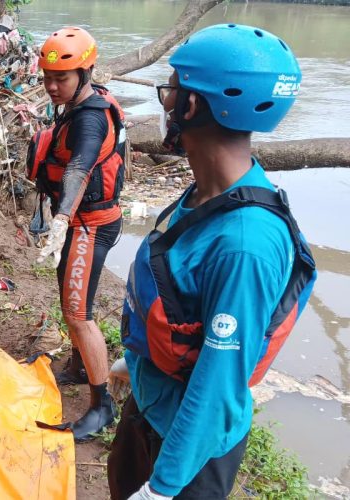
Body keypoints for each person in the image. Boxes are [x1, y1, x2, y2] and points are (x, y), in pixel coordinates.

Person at [108, 24, 316, 499]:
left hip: (188, 455)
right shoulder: (206, 193)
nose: (166, 104)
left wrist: (160, 490)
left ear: (192, 105)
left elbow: (219, 384)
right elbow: (183, 303)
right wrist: (134, 360)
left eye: (170, 90)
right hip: (152, 407)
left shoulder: (246, 244)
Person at [30, 26, 126, 441]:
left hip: (90, 223)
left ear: (85, 73)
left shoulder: (90, 119)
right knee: (71, 300)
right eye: (47, 78)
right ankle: (77, 366)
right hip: (79, 221)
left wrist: (62, 216)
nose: (52, 86)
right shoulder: (79, 100)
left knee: (79, 313)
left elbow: (80, 166)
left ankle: (101, 404)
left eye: (61, 78)